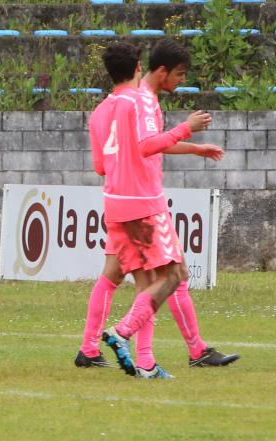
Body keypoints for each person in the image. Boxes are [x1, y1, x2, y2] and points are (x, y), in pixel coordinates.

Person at [76, 39, 239, 374]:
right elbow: (147, 145)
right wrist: (184, 132)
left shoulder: (103, 109)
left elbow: (103, 164)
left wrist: (192, 148)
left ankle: (92, 349)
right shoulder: (142, 101)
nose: (180, 80)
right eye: (179, 74)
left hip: (117, 199)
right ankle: (151, 352)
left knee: (122, 276)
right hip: (142, 201)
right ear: (141, 68)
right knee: (165, 276)